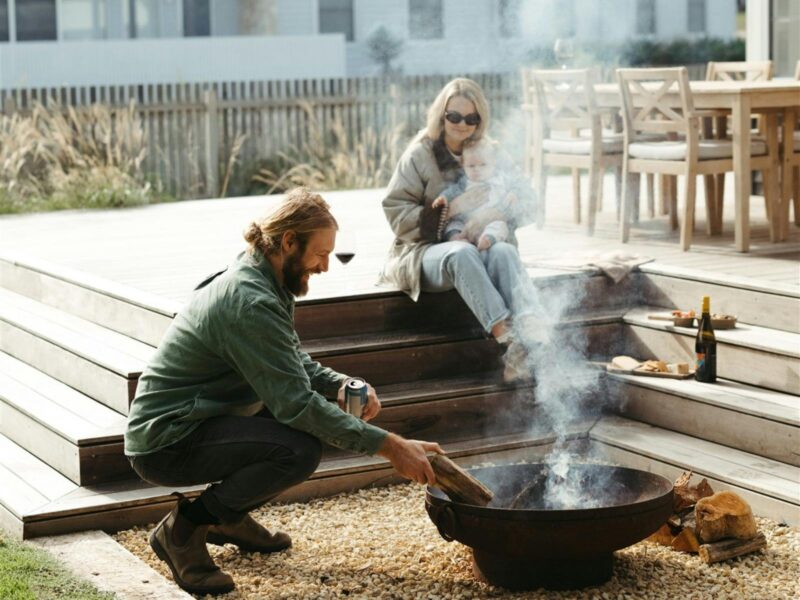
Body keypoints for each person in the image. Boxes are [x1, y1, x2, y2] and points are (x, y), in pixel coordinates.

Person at [125, 188, 443, 596]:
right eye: (320, 254)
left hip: (201, 418)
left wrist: (342, 384)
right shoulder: (251, 301)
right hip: (167, 440)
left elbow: (290, 366)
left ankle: (227, 516)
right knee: (298, 449)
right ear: (289, 241)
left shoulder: (264, 277)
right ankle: (185, 529)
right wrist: (391, 447)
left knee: (293, 432)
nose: (326, 266)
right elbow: (295, 405)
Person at [380, 78, 544, 382]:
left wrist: (494, 214)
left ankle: (532, 332)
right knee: (461, 252)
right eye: (453, 116)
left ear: (480, 120)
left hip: (483, 243)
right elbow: (395, 212)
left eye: (471, 118)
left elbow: (530, 201)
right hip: (423, 252)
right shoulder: (419, 155)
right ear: (440, 115)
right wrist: (452, 210)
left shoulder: (491, 152)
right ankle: (508, 338)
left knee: (505, 251)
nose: (461, 124)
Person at [433, 138, 522, 251]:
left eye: (483, 165)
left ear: (493, 163)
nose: (477, 170)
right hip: (464, 221)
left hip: (491, 220)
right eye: (471, 166)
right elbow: (452, 190)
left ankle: (487, 239)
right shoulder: (464, 182)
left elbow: (517, 185)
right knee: (453, 226)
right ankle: (457, 238)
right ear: (463, 165)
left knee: (500, 226)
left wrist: (514, 193)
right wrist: (443, 198)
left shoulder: (501, 179)